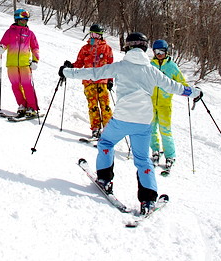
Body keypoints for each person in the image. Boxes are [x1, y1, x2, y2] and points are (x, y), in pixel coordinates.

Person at [59, 32, 203, 214]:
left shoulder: (120, 66)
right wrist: (195, 92)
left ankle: (104, 179)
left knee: (106, 142)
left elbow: (93, 73)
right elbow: (174, 87)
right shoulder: (152, 70)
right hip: (144, 123)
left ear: (127, 47)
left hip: (122, 119)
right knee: (142, 159)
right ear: (145, 48)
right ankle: (148, 200)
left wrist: (66, 71)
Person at [149, 39, 188, 171]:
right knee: (151, 128)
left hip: (165, 104)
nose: (159, 54)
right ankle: (155, 150)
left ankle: (170, 155)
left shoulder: (171, 67)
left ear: (166, 52)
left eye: (162, 52)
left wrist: (191, 91)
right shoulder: (150, 65)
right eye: (156, 52)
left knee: (165, 130)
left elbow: (181, 82)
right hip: (150, 103)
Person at [68, 24, 113, 137]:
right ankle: (95, 128)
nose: (94, 37)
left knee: (105, 105)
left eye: (97, 35)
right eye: (92, 34)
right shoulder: (85, 48)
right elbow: (79, 63)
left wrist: (110, 80)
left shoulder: (106, 48)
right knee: (92, 105)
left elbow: (111, 66)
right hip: (89, 82)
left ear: (101, 35)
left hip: (102, 81)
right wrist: (70, 66)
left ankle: (108, 130)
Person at [0, 9, 41, 118]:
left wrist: (35, 60)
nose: (24, 22)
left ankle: (32, 108)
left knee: (27, 86)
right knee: (15, 86)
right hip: (12, 64)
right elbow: (4, 42)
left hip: (25, 64)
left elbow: (35, 47)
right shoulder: (10, 32)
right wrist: (1, 47)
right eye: (22, 20)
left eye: (26, 20)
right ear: (16, 19)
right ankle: (22, 105)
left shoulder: (30, 34)